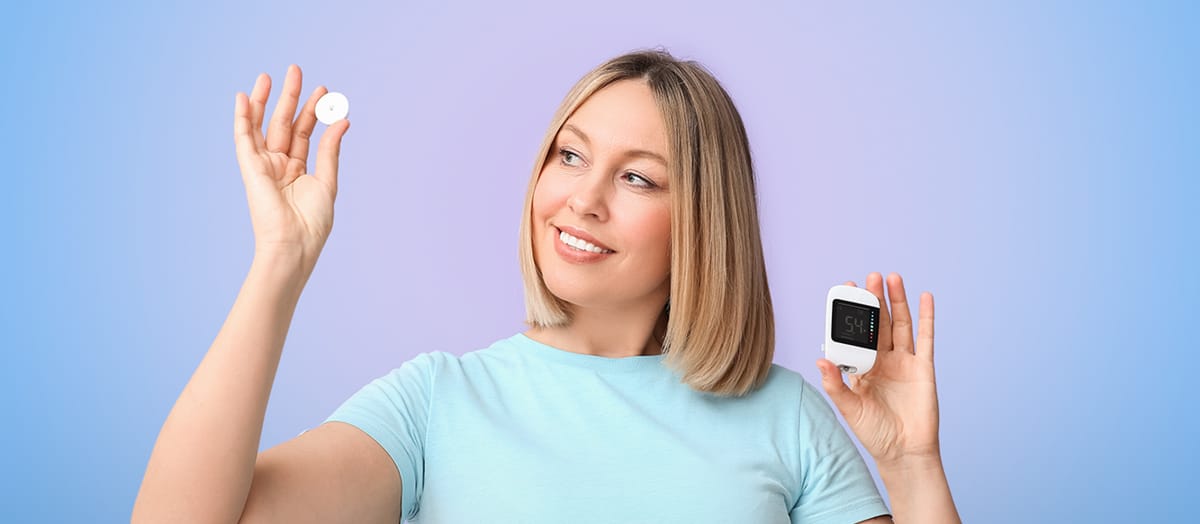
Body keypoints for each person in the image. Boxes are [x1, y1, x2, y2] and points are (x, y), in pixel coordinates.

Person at [133, 49, 960, 523]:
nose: (582, 199)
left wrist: (913, 465)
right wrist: (280, 261)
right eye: (570, 155)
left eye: (637, 178)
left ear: (704, 224)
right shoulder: (436, 402)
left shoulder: (787, 416)